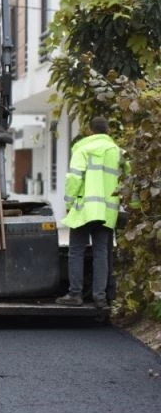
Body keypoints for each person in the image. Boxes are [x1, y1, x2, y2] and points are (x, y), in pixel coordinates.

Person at [56, 116, 127, 309]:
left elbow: (74, 179)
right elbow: (127, 180)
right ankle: (100, 298)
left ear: (90, 130)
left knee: (76, 251)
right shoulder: (119, 153)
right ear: (109, 130)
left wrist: (69, 204)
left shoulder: (82, 149)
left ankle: (75, 294)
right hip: (106, 212)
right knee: (102, 253)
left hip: (84, 210)